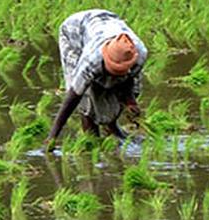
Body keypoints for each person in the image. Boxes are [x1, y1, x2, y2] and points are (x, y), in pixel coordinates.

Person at [45, 9, 147, 150]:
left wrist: (130, 102)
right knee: (87, 97)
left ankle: (111, 127)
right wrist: (53, 136)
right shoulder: (91, 60)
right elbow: (73, 97)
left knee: (119, 87)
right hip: (74, 33)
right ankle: (91, 137)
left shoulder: (139, 54)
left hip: (106, 21)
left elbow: (129, 81)